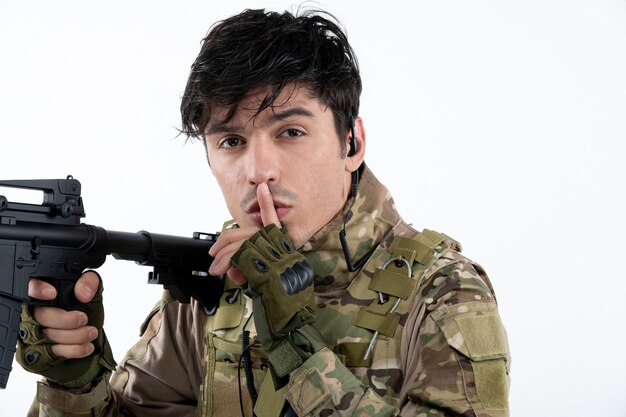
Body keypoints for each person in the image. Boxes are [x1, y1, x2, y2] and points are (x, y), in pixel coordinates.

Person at [19, 8, 511, 417]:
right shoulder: (209, 293)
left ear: (352, 142)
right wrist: (75, 379)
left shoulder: (442, 291)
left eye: (290, 132)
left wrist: (295, 345)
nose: (258, 171)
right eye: (231, 141)